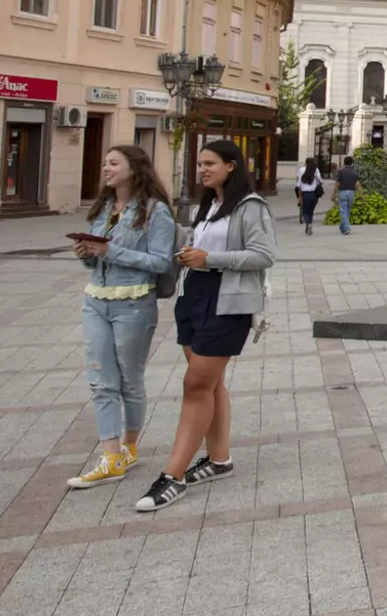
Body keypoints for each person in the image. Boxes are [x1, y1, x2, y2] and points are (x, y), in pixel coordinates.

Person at [136, 139, 275, 512]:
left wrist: (209, 258)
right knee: (210, 384)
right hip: (193, 296)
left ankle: (173, 475)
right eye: (199, 164)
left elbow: (264, 255)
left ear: (232, 166)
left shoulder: (250, 207)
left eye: (210, 163)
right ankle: (219, 459)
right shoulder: (208, 205)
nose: (202, 169)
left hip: (227, 302)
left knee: (196, 383)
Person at [67, 146, 176, 488]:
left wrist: (111, 250)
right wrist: (86, 254)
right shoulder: (101, 208)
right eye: (104, 162)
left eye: (113, 163)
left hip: (134, 302)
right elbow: (96, 258)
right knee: (101, 379)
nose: (106, 168)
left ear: (134, 169)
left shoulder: (155, 212)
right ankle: (110, 456)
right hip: (96, 300)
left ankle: (129, 447)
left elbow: (161, 262)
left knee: (130, 380)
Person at [333, 154, 361, 235]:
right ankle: (343, 227)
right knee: (347, 210)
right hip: (351, 193)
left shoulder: (341, 171)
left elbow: (337, 183)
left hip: (342, 192)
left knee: (343, 210)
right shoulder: (354, 172)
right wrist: (361, 195)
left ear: (344, 163)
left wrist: (334, 194)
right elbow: (357, 184)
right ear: (352, 163)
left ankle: (346, 229)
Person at [295, 157, 323, 235]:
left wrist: (300, 197)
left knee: (305, 211)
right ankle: (309, 224)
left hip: (305, 194)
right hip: (314, 194)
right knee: (311, 211)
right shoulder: (316, 170)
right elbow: (320, 181)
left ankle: (308, 223)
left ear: (306, 163)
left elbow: (299, 185)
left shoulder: (302, 170)